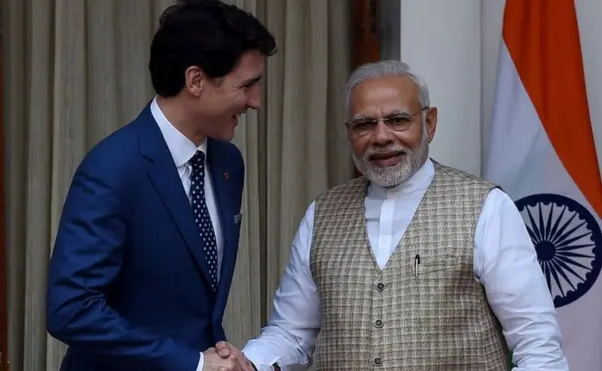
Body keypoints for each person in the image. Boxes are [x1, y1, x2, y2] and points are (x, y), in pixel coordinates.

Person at [217, 60, 569, 370]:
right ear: (348, 133)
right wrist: (248, 363)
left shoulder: (485, 207)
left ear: (429, 123)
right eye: (364, 125)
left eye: (398, 120)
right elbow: (292, 333)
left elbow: (536, 343)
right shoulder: (322, 214)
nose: (381, 137)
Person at [45, 1, 276, 370]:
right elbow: (71, 309)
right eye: (246, 86)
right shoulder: (113, 168)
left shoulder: (228, 163)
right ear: (195, 80)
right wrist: (192, 363)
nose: (256, 102)